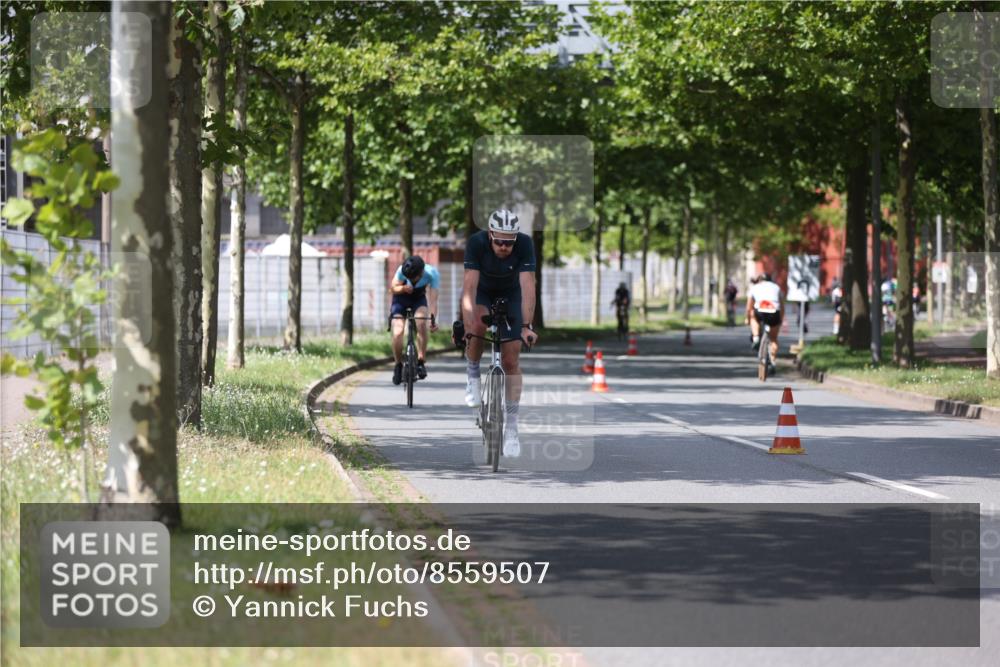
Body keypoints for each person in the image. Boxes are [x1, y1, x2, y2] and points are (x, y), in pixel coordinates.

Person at [461, 208, 539, 457]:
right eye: (499, 241)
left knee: (510, 360)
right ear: (490, 233)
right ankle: (472, 375)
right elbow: (469, 287)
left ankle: (512, 429)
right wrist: (466, 325)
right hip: (483, 292)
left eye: (509, 242)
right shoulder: (476, 243)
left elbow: (528, 285)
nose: (504, 247)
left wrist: (527, 326)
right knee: (477, 326)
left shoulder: (525, 244)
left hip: (511, 294)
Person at [389, 255, 439, 385]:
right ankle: (398, 365)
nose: (411, 280)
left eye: (413, 278)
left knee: (421, 321)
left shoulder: (432, 273)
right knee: (398, 331)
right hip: (400, 298)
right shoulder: (401, 270)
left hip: (418, 299)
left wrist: (432, 321)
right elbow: (392, 288)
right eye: (408, 278)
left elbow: (433, 301)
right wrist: (402, 288)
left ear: (421, 272)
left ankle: (421, 361)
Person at [745, 272, 784, 366]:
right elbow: (782, 306)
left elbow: (749, 307)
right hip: (774, 313)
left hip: (760, 311)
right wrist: (780, 319)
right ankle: (773, 361)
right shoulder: (776, 287)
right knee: (774, 339)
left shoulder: (755, 287)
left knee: (753, 315)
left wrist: (747, 319)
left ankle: (756, 338)